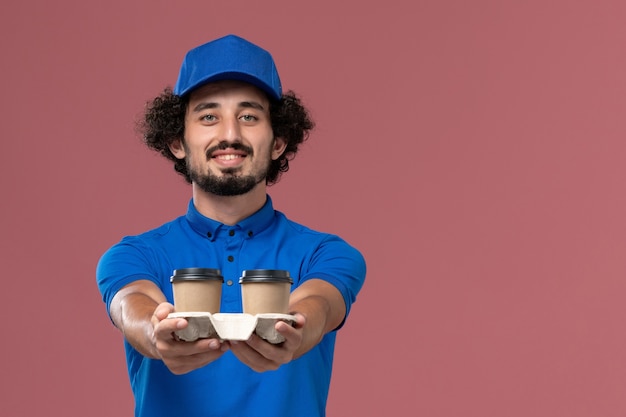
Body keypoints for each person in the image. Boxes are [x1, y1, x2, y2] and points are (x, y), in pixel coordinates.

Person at [96, 34, 367, 417]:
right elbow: (130, 306)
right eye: (209, 116)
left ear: (277, 142)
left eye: (249, 116)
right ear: (177, 140)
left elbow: (319, 305)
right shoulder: (133, 255)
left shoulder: (327, 253)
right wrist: (156, 336)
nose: (230, 135)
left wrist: (296, 330)